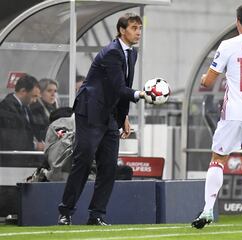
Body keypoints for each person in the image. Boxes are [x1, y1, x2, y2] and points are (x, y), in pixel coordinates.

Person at [57, 13, 150, 226]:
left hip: (109, 114)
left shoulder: (131, 53)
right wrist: (142, 94)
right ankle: (65, 212)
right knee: (84, 159)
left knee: (108, 165)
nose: (138, 32)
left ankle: (96, 215)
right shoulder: (111, 53)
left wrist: (123, 116)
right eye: (134, 28)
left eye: (140, 28)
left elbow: (117, 89)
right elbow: (120, 87)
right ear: (121, 30)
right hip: (90, 111)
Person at [191, 5, 242, 229]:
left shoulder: (228, 45)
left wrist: (206, 76)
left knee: (218, 159)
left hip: (233, 112)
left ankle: (207, 210)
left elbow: (207, 82)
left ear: (237, 22)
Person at [0, 74, 43, 156]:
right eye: (33, 96)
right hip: (11, 159)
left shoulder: (25, 108)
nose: (35, 101)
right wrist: (34, 145)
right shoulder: (6, 108)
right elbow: (11, 138)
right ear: (23, 91)